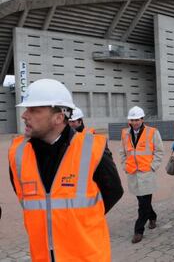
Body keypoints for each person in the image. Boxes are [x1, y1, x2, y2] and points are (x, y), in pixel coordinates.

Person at [8, 79, 123, 261]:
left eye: (34, 110)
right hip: (42, 256)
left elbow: (114, 192)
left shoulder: (92, 148)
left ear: (59, 118)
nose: (24, 115)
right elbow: (24, 196)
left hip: (86, 256)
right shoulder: (18, 153)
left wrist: (82, 220)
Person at [120, 106, 164, 243]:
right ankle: (153, 216)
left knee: (143, 205)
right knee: (143, 202)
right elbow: (123, 152)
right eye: (132, 120)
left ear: (142, 119)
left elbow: (159, 151)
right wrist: (125, 166)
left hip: (146, 173)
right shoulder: (125, 133)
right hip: (133, 173)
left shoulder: (152, 132)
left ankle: (138, 230)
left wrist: (153, 167)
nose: (134, 122)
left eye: (137, 119)